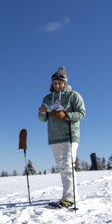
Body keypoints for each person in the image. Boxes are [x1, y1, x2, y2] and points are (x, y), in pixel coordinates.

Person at [38, 67, 86, 209]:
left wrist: (66, 115)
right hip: (54, 137)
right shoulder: (47, 98)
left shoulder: (73, 96)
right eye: (55, 83)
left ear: (65, 82)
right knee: (62, 167)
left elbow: (82, 113)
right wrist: (41, 113)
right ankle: (72, 195)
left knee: (67, 165)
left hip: (69, 135)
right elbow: (42, 119)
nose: (57, 85)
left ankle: (69, 198)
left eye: (60, 83)